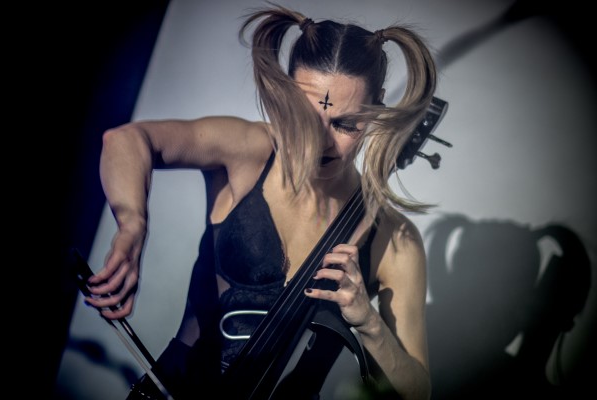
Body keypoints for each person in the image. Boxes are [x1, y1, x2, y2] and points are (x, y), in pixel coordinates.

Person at [84, 3, 438, 399]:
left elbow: (417, 392)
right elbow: (127, 141)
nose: (319, 141)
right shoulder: (249, 151)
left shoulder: (395, 238)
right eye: (304, 116)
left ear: (374, 114)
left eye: (345, 124)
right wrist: (133, 222)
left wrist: (370, 323)